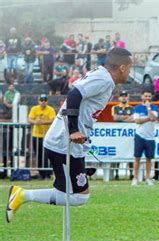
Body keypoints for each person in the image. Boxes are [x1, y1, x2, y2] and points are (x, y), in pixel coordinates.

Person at [5, 48, 133, 223]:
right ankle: (22, 195)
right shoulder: (103, 78)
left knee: (76, 194)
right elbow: (74, 94)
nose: (130, 72)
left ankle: (22, 195)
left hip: (72, 146)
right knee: (78, 197)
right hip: (62, 143)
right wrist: (73, 130)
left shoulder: (104, 78)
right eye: (130, 68)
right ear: (123, 68)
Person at [132, 90, 159, 186]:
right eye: (146, 96)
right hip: (139, 135)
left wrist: (148, 108)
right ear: (142, 97)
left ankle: (147, 178)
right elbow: (137, 121)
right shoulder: (137, 108)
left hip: (150, 137)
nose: (147, 98)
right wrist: (148, 118)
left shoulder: (154, 107)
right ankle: (135, 178)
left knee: (149, 159)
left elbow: (153, 118)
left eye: (149, 96)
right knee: (137, 158)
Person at [28, 94, 56, 180]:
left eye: (45, 100)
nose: (43, 102)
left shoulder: (50, 109)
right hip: (36, 135)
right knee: (39, 155)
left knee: (47, 155)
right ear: (38, 101)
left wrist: (42, 122)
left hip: (47, 136)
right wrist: (36, 122)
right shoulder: (34, 108)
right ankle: (41, 174)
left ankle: (47, 174)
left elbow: (53, 120)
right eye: (42, 100)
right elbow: (29, 119)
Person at [112, 90, 134, 180]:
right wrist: (127, 117)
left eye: (125, 96)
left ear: (127, 97)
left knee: (130, 153)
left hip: (129, 134)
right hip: (118, 135)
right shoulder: (115, 107)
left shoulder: (132, 108)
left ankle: (131, 173)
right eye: (122, 96)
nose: (124, 97)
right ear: (119, 98)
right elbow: (115, 118)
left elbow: (133, 119)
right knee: (118, 153)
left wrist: (121, 118)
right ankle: (116, 173)